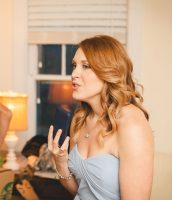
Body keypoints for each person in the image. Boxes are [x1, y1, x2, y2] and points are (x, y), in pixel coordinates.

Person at [48, 35, 154, 200]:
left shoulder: (131, 123)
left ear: (108, 71)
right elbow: (79, 192)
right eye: (74, 65)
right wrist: (60, 162)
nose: (74, 74)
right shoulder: (80, 117)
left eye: (86, 66)